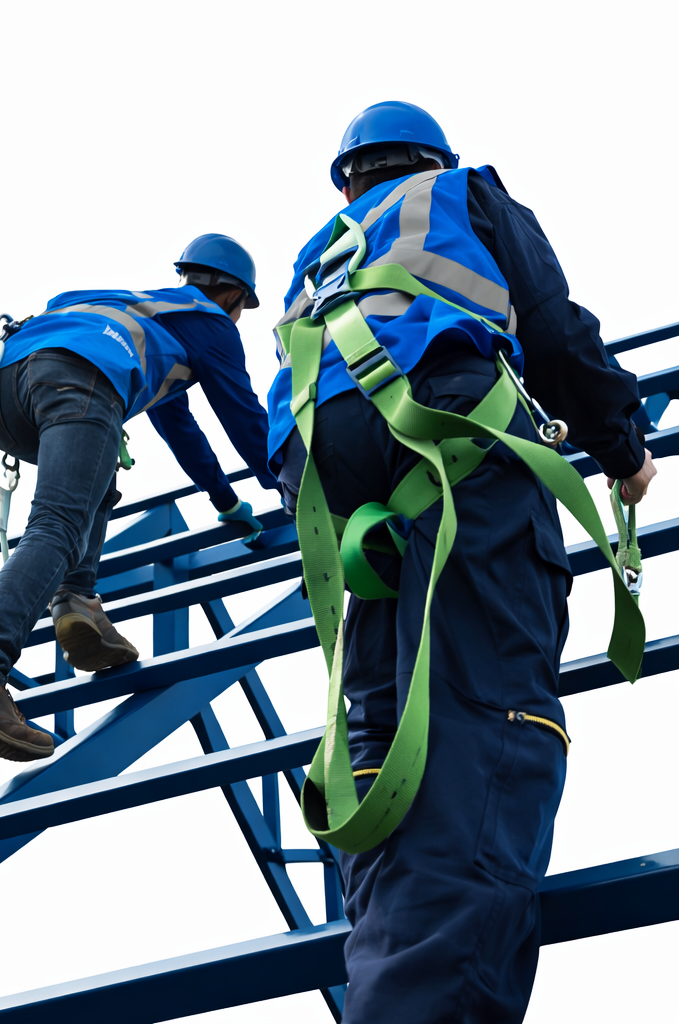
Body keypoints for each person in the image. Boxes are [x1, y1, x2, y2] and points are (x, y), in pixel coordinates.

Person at [267, 101, 656, 1023]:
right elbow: (555, 329)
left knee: (381, 722)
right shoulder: (465, 192)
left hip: (328, 464)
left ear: (349, 175)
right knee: (486, 704)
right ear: (431, 155)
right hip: (451, 419)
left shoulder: (323, 251)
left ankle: (386, 954)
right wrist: (622, 445)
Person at [0, 234, 279, 762]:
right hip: (80, 380)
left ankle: (78, 602)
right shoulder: (210, 325)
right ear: (233, 296)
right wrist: (292, 484)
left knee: (95, 472)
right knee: (56, 525)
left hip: (10, 389)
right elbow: (246, 420)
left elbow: (180, 429)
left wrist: (225, 501)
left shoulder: (139, 315)